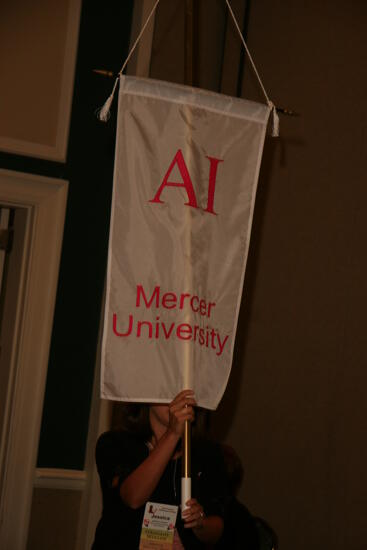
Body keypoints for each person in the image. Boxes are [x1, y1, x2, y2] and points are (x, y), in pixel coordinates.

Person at [92, 390, 228, 549]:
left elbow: (217, 528)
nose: (176, 398)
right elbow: (133, 498)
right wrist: (173, 433)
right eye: (168, 388)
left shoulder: (207, 453)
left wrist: (200, 523)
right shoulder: (116, 443)